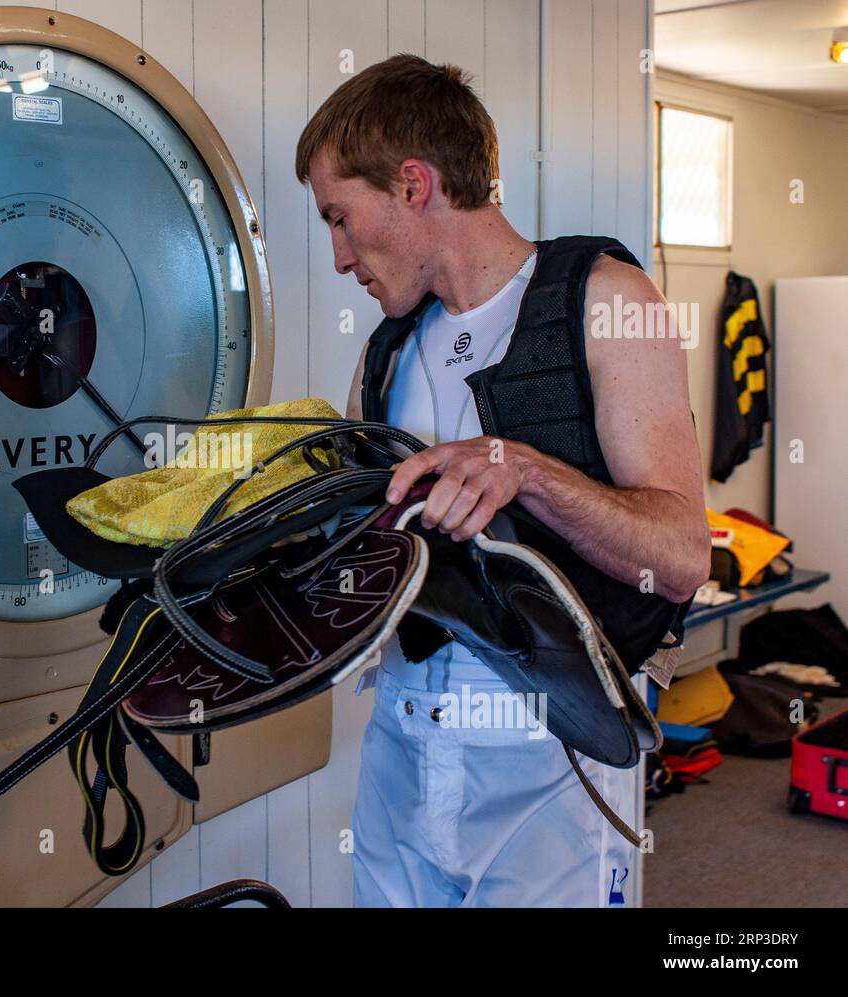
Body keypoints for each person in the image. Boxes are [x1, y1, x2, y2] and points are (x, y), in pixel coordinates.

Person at [294, 54, 710, 907]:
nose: (338, 257)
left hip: (552, 764)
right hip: (402, 747)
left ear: (413, 184)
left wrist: (524, 469)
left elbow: (680, 555)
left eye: (341, 218)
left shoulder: (603, 300)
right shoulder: (384, 354)